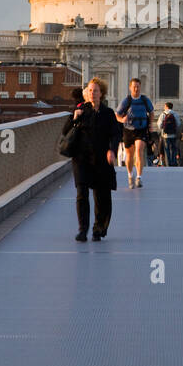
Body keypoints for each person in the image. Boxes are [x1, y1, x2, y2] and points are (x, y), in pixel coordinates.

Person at [62, 77, 121, 242]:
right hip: (81, 158)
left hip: (101, 159)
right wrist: (74, 118)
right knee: (81, 193)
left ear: (101, 94)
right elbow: (65, 131)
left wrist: (112, 150)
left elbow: (116, 134)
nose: (92, 93)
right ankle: (82, 230)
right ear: (86, 93)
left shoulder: (108, 114)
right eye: (89, 90)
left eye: (95, 90)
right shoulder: (80, 110)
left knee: (102, 196)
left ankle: (98, 228)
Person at [114, 77, 154, 189]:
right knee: (129, 155)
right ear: (130, 88)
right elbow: (117, 114)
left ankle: (139, 177)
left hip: (141, 129)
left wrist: (150, 124)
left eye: (138, 86)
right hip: (128, 130)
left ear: (140, 87)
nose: (136, 89)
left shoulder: (145, 100)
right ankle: (130, 175)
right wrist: (122, 120)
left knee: (139, 150)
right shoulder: (126, 101)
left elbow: (151, 113)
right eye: (134, 87)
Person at [159, 102, 179, 167]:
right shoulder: (175, 114)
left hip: (165, 135)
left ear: (166, 106)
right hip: (173, 134)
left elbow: (159, 124)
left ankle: (168, 163)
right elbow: (178, 124)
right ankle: (173, 162)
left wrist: (162, 128)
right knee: (173, 149)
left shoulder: (163, 114)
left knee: (166, 149)